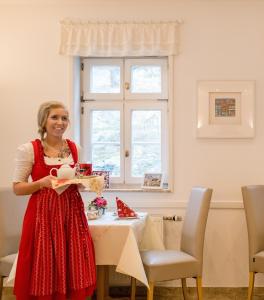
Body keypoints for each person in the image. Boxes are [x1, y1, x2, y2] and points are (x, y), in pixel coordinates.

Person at [13, 101, 96, 300]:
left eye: (64, 118)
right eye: (55, 117)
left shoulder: (76, 148)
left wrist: (85, 183)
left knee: (73, 259)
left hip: (72, 213)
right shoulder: (29, 149)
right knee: (44, 262)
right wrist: (41, 183)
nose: (60, 122)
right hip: (43, 215)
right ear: (44, 121)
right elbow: (17, 188)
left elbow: (80, 183)